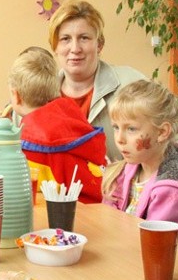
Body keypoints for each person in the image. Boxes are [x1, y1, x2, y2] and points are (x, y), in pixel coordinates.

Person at [47, 0, 178, 161]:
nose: (75, 48)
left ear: (99, 45)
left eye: (84, 38)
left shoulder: (132, 84)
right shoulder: (40, 94)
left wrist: (143, 181)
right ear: (55, 47)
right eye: (65, 39)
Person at [102, 80, 178, 234]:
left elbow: (157, 243)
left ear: (162, 132)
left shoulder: (172, 188)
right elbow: (107, 218)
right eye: (116, 127)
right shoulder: (127, 170)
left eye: (131, 129)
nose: (119, 138)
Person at [6, 49, 107, 204]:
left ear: (16, 96)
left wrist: (0, 140)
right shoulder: (74, 119)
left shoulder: (29, 144)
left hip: (63, 220)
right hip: (102, 209)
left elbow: (14, 191)